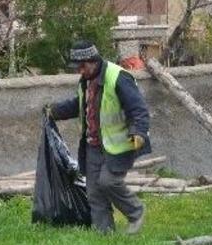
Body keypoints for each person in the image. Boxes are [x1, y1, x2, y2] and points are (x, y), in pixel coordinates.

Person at [44, 41, 152, 234]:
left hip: (120, 145)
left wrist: (139, 132)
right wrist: (55, 111)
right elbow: (81, 104)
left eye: (82, 66)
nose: (80, 71)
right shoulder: (86, 80)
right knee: (94, 192)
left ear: (92, 61)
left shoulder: (118, 77)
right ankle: (104, 234)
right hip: (93, 145)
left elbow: (139, 109)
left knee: (108, 182)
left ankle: (136, 211)